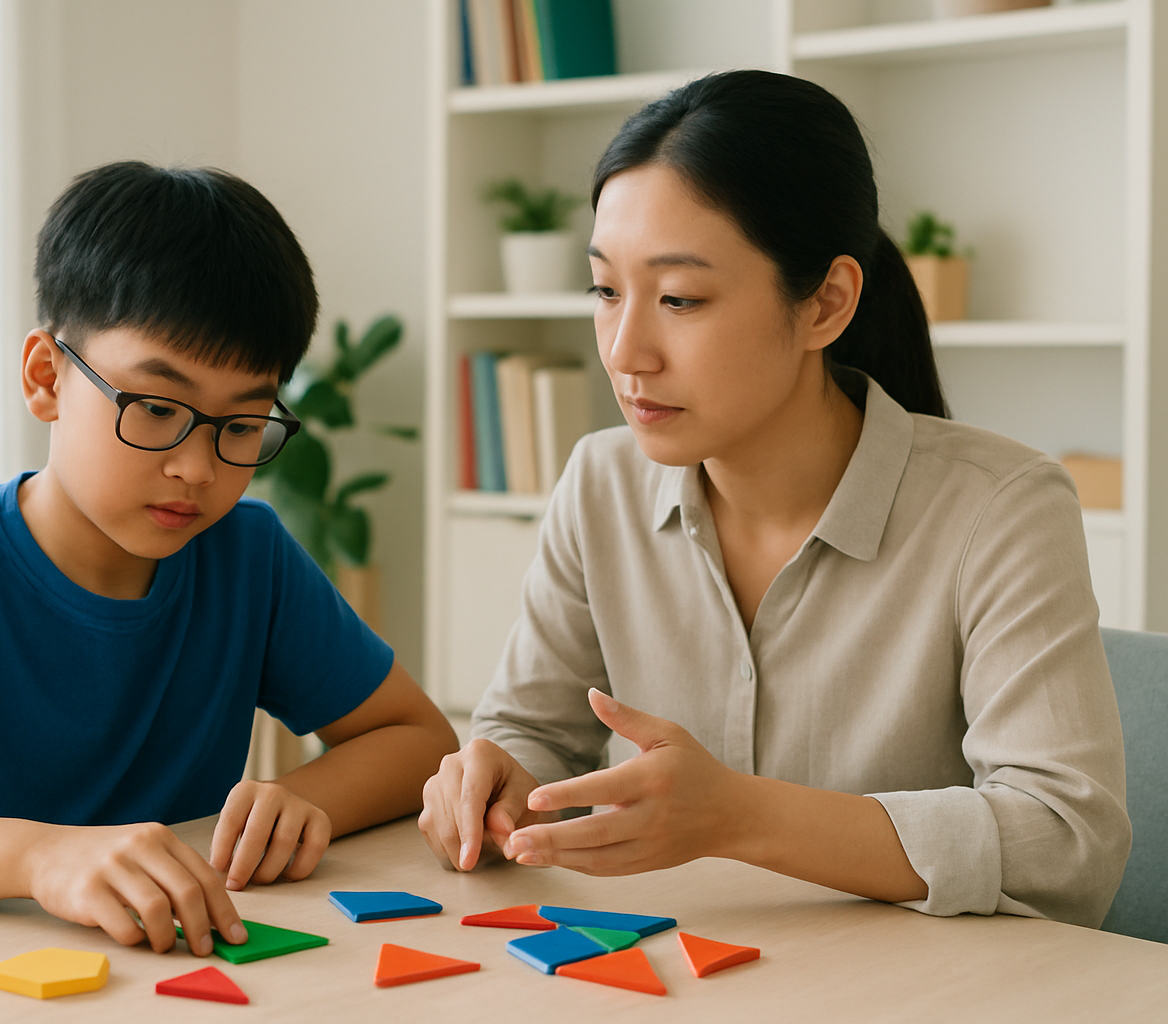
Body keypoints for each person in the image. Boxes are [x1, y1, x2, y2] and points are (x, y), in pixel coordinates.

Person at [418, 70, 1130, 927]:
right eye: (606, 290)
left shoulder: (1001, 508)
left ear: (826, 302)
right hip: (674, 970)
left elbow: (1067, 843)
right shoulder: (598, 483)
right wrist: (494, 777)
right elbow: (534, 734)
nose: (625, 350)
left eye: (680, 298)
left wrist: (740, 816)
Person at [0, 161, 459, 955]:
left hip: (165, 969)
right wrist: (38, 856)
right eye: (156, 408)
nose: (198, 466)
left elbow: (419, 738)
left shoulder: (248, 556)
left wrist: (300, 798)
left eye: (243, 425)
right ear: (46, 378)